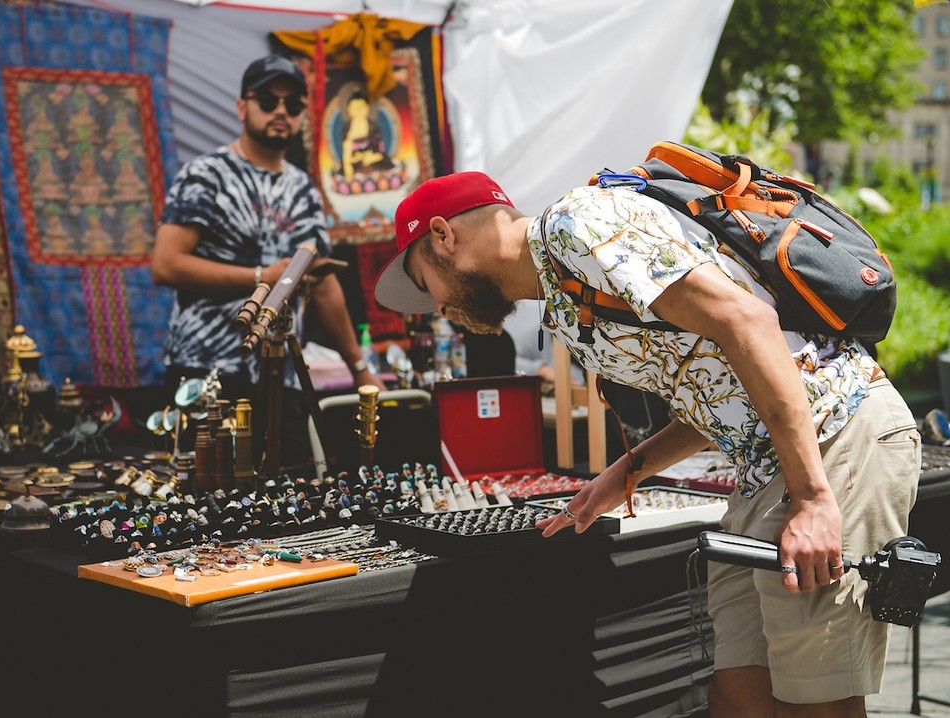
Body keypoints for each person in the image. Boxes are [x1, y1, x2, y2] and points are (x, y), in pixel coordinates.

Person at [373, 171, 921, 717]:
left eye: (424, 282)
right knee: (739, 694)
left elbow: (748, 320)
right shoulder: (560, 297)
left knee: (817, 701)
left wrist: (813, 498)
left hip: (834, 434)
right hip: (772, 467)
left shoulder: (577, 225)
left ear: (443, 235)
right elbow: (718, 388)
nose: (437, 308)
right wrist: (627, 472)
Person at [151, 54, 384, 471]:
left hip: (282, 375)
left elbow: (323, 282)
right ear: (242, 106)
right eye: (268, 100)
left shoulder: (303, 189)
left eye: (293, 104)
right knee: (207, 498)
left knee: (293, 492)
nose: (281, 111)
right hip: (207, 373)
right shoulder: (206, 174)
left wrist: (360, 368)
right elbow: (166, 264)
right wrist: (263, 277)